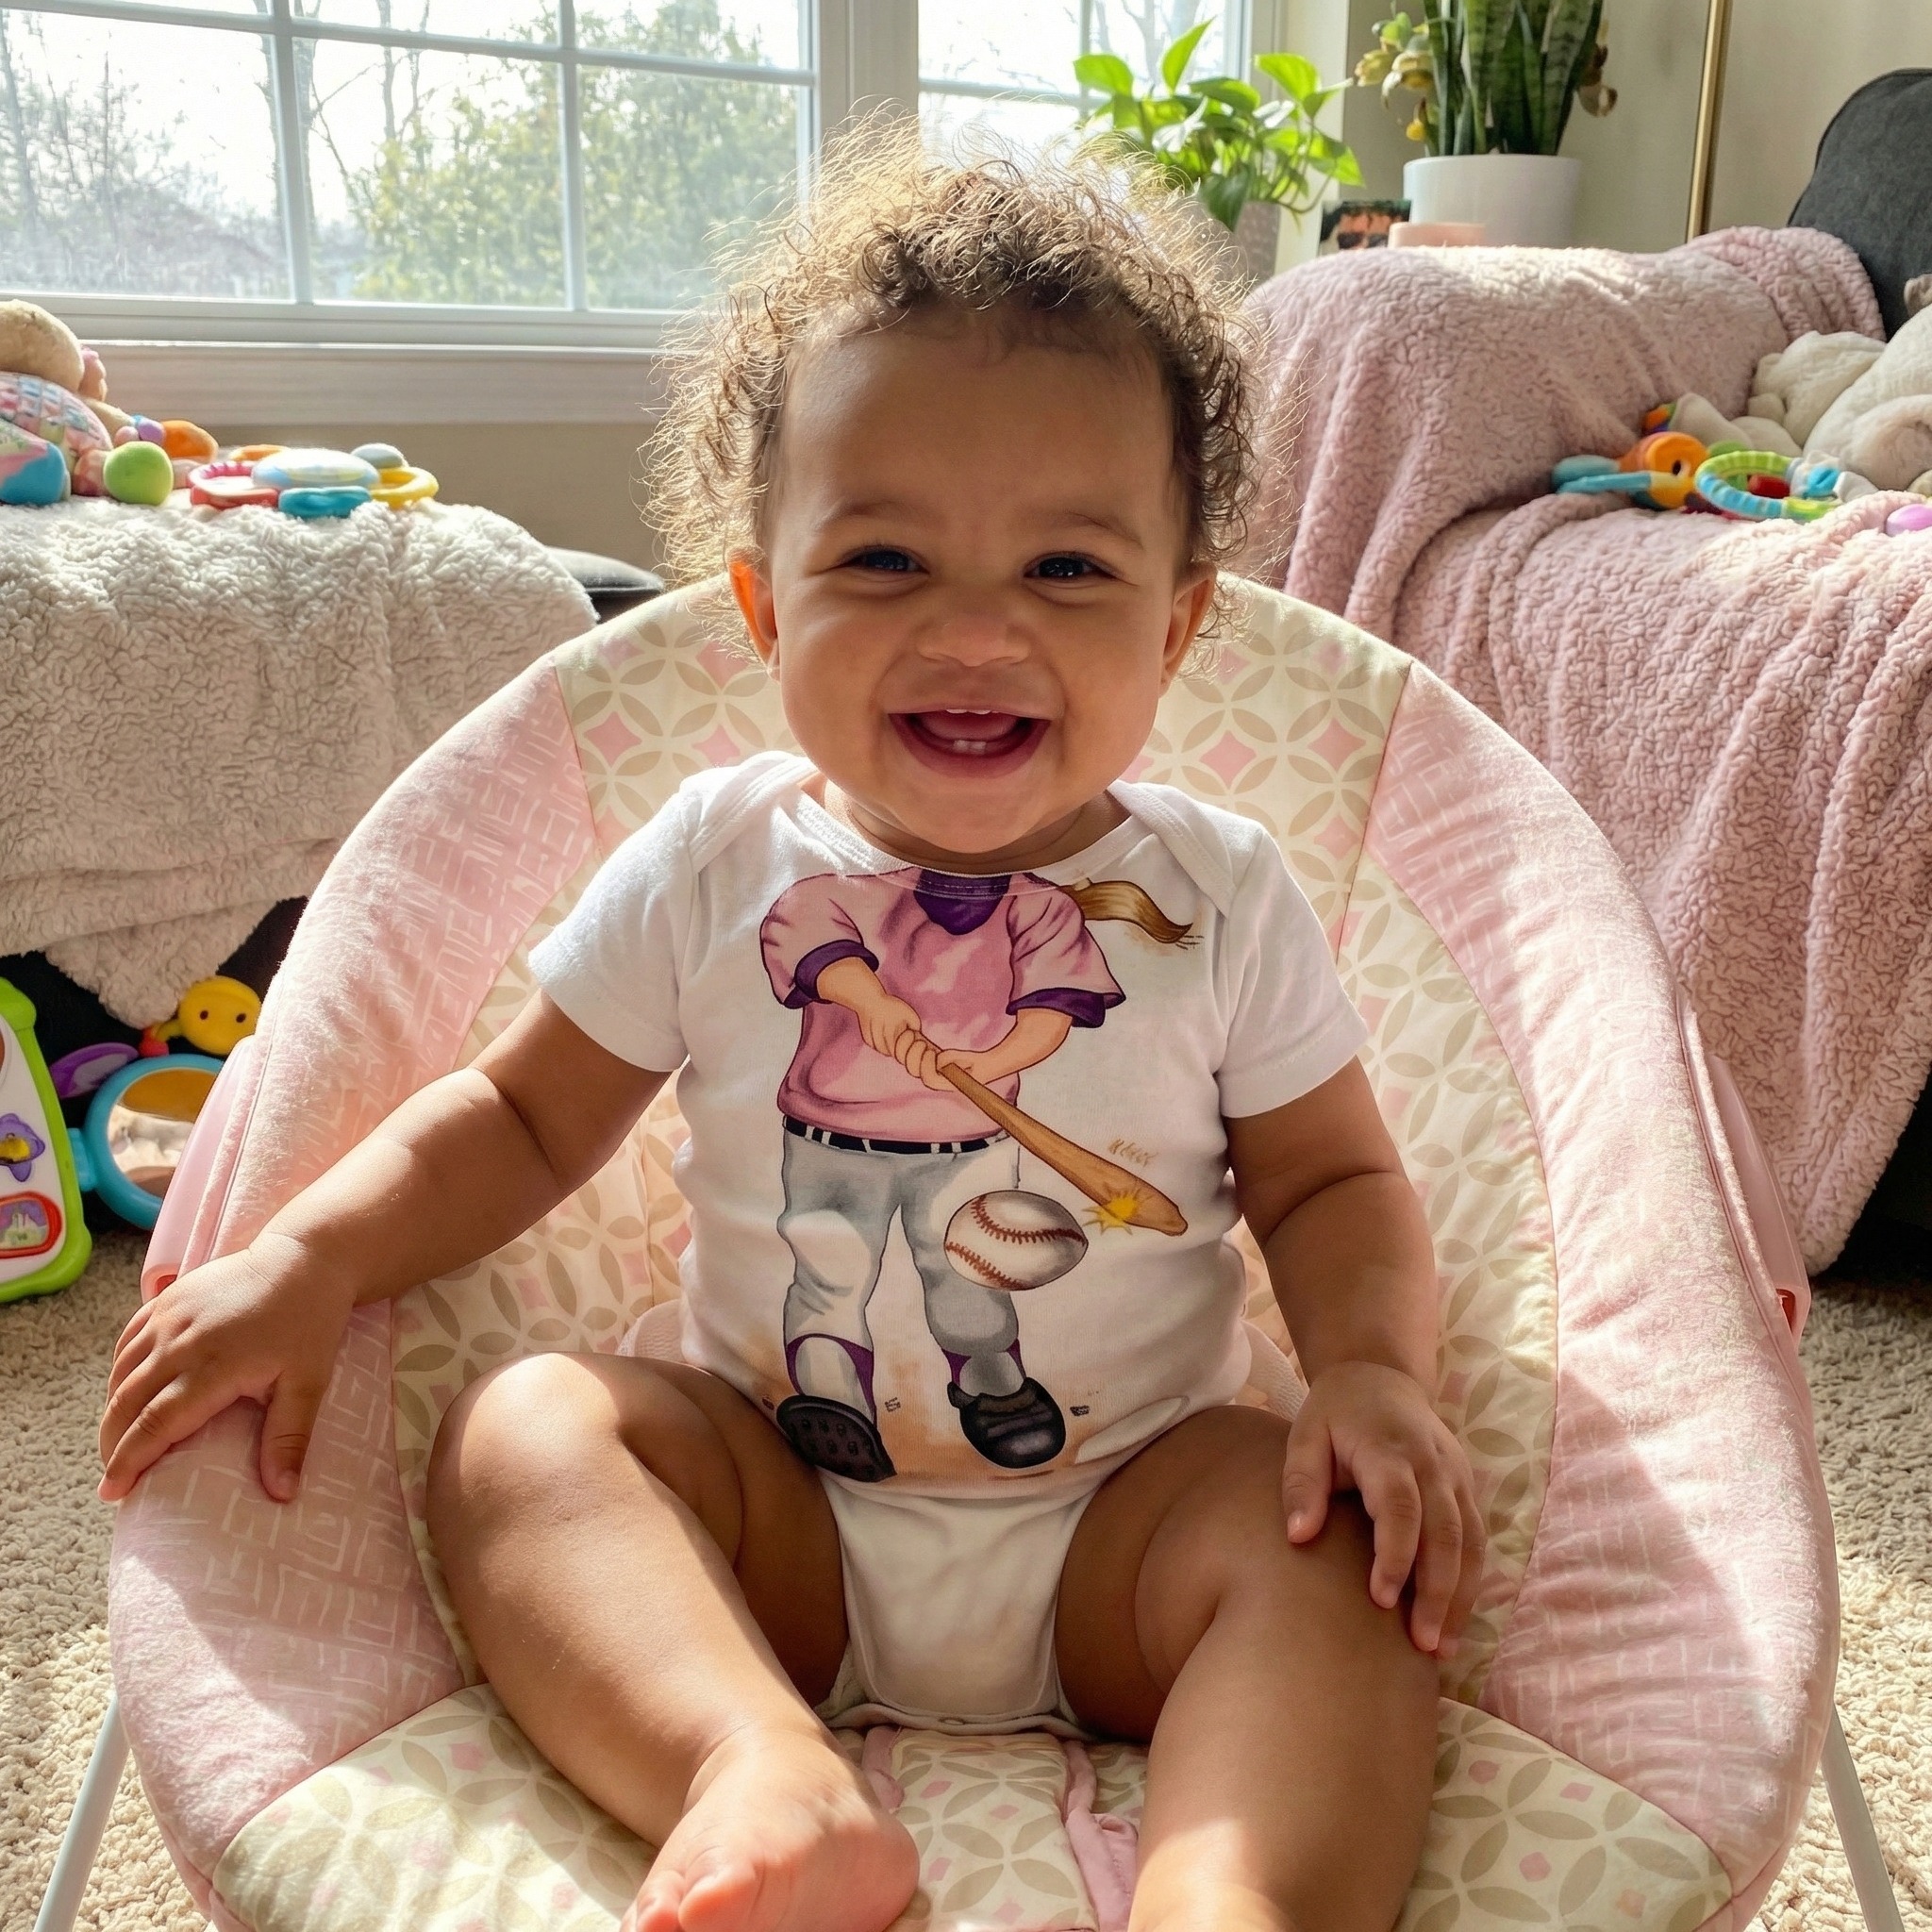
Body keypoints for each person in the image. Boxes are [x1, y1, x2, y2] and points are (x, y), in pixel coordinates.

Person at [98, 135, 1484, 1932]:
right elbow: (518, 1120)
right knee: (524, 1436)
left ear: (1181, 622)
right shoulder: (712, 862)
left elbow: (1335, 1181)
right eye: (886, 556)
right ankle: (750, 1768)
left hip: (1133, 1528)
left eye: (1068, 568)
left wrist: (1371, 1373)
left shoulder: (1219, 896)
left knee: (1342, 1563)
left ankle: (1232, 1895)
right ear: (764, 605)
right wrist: (310, 1251)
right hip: (779, 1530)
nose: (975, 629)